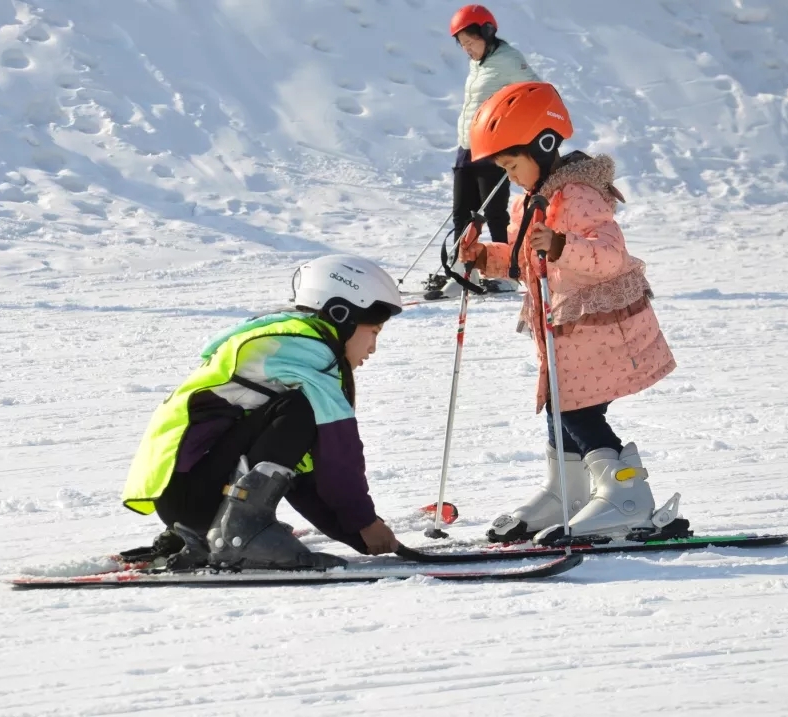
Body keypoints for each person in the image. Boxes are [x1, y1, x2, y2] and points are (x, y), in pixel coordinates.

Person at [459, 82, 678, 542]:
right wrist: (483, 257)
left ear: (543, 145)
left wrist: (561, 244)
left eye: (513, 164)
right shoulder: (530, 202)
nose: (511, 175)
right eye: (504, 167)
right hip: (562, 334)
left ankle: (627, 497)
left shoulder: (579, 195)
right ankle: (567, 491)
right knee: (560, 409)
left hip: (600, 329)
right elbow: (524, 261)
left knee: (578, 412)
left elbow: (611, 255)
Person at [119, 255, 403, 570]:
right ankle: (240, 533)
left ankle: (211, 533)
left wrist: (356, 531)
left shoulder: (289, 344)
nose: (373, 348)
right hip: (193, 495)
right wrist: (363, 521)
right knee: (301, 408)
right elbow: (339, 454)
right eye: (374, 332)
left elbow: (304, 471)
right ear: (343, 314)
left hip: (186, 495)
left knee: (300, 412)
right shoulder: (313, 356)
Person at [425, 4, 539, 300]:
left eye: (471, 42)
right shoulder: (478, 64)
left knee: (494, 213)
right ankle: (465, 270)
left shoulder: (509, 60)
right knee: (463, 212)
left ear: (487, 32)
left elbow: (536, 93)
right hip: (467, 147)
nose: (467, 50)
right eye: (463, 45)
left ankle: (509, 275)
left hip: (494, 146)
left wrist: (519, 135)